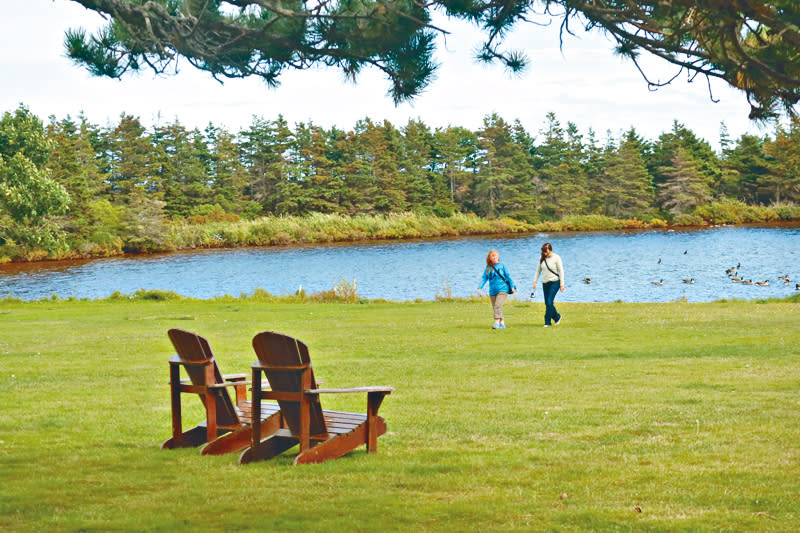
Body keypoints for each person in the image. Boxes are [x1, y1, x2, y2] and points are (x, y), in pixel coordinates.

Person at [477, 249, 516, 329]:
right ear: (490, 258)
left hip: (503, 289)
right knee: (496, 307)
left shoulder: (502, 265)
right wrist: (480, 287)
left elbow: (508, 276)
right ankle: (502, 323)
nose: (494, 257)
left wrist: (512, 286)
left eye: (495, 256)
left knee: (498, 305)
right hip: (492, 290)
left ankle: (496, 322)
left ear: (498, 257)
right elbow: (484, 278)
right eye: (492, 256)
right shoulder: (488, 267)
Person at [532, 242, 565, 327]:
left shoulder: (557, 258)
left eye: (546, 252)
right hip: (545, 283)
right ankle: (557, 317)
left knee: (549, 302)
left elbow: (561, 271)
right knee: (547, 303)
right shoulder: (542, 258)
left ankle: (547, 322)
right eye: (544, 252)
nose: (545, 254)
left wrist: (562, 284)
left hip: (555, 282)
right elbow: (538, 271)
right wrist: (535, 282)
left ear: (550, 250)